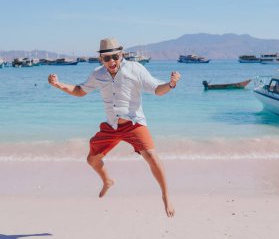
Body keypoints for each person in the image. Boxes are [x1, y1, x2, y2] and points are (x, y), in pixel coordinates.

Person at [48, 38, 180, 217]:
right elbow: (79, 91)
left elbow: (157, 89)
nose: (112, 62)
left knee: (151, 156)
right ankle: (107, 181)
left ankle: (166, 196)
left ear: (122, 55)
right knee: (92, 160)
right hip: (111, 126)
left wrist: (171, 84)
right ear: (101, 59)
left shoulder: (135, 69)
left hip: (133, 123)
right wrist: (59, 85)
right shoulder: (98, 74)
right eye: (107, 58)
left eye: (115, 57)